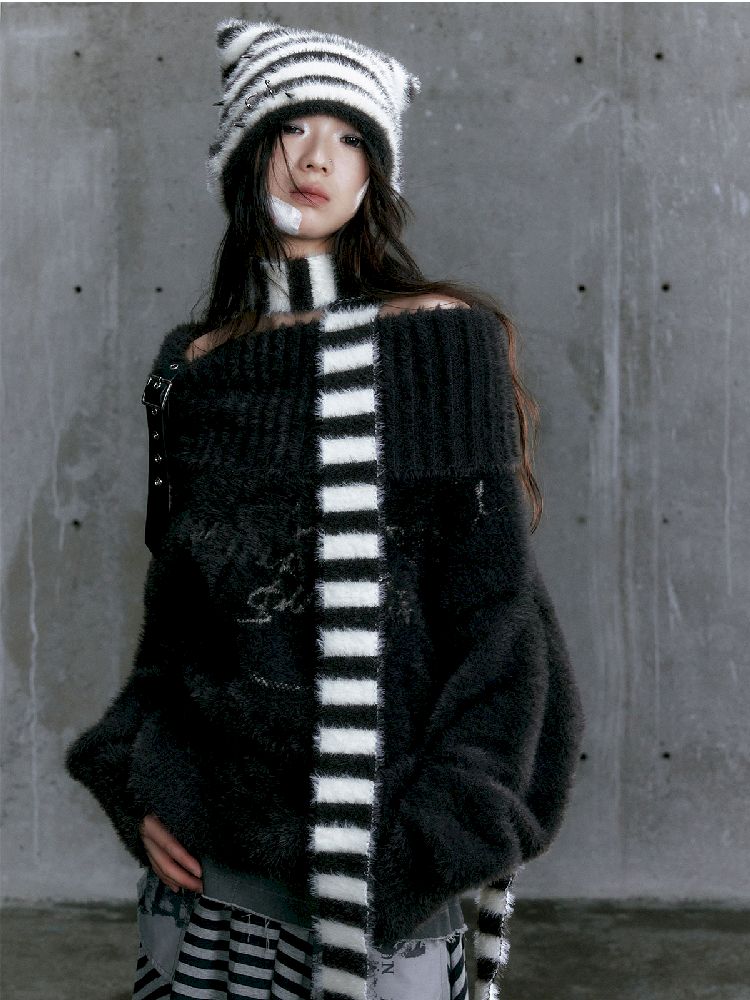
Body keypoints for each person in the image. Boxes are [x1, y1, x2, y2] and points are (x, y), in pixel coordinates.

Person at [64, 18, 585, 1000]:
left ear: (373, 176)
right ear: (241, 151)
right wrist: (137, 775)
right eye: (292, 126)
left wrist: (432, 845)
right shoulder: (192, 367)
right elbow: (179, 622)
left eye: (351, 138)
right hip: (212, 870)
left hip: (381, 876)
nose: (317, 159)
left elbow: (503, 628)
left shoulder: (439, 341)